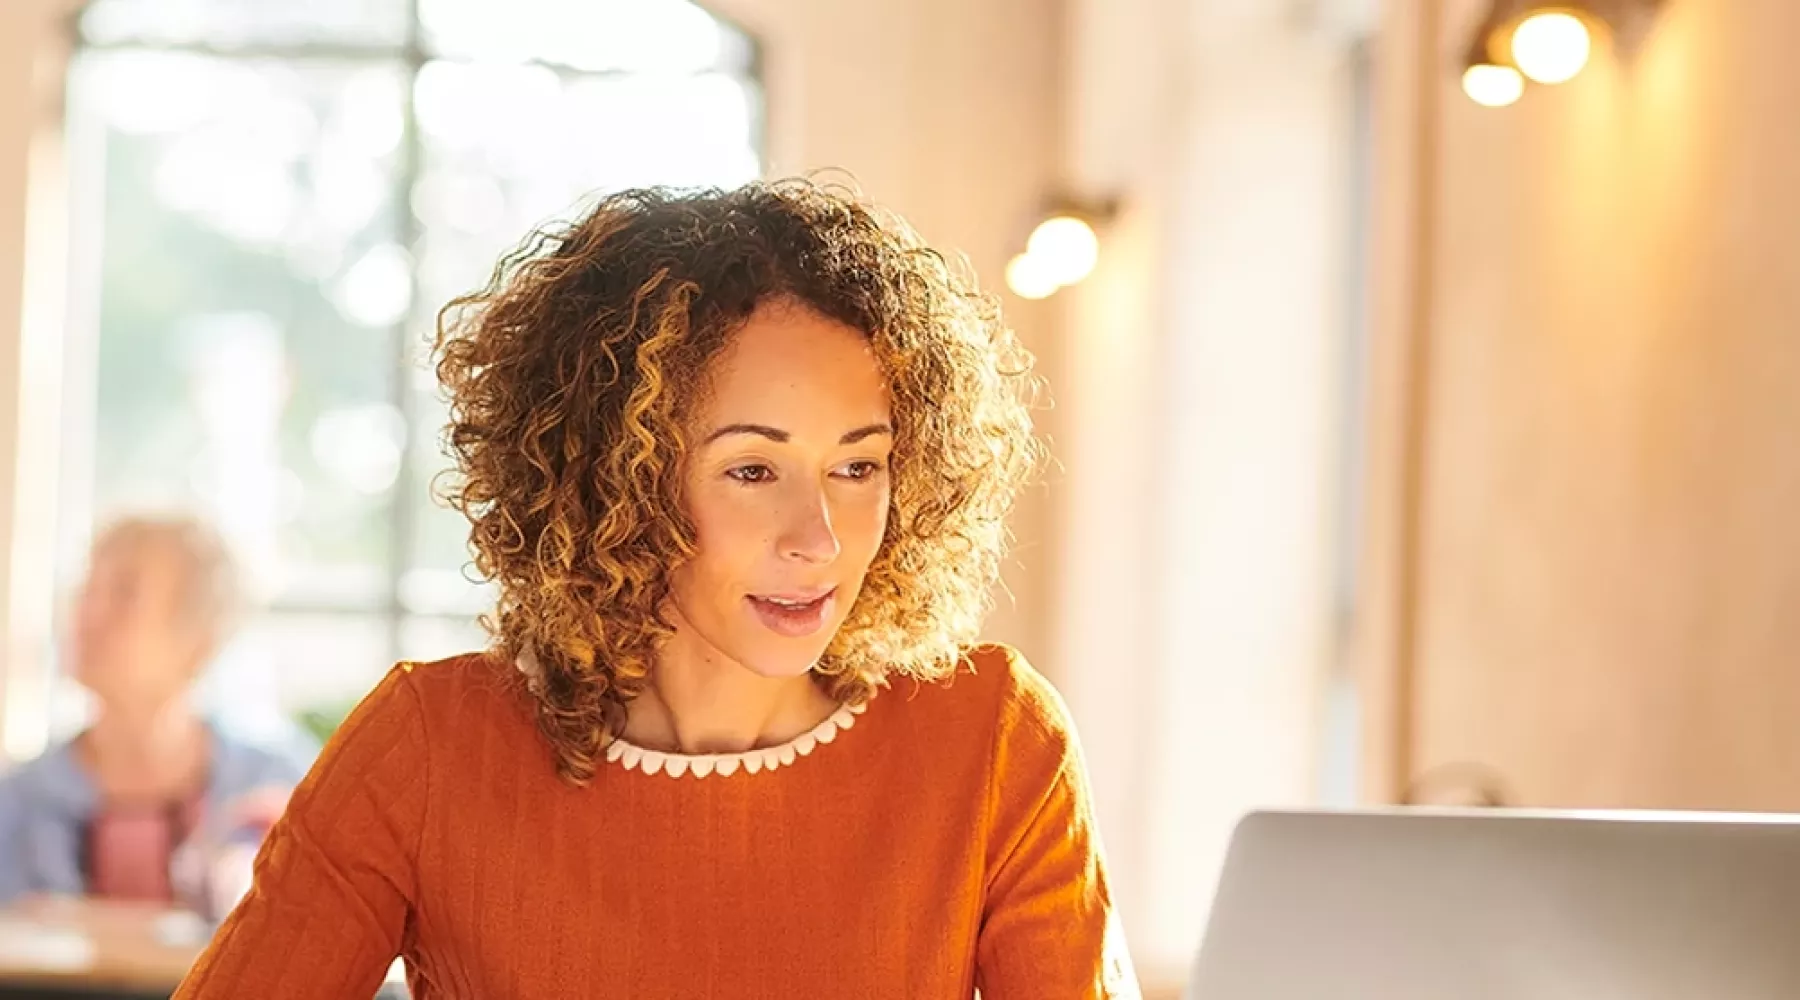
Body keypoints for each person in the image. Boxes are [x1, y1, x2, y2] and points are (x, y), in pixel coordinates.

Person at [176, 181, 1140, 999]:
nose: (821, 539)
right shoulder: (429, 747)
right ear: (618, 482)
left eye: (859, 467)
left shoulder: (992, 740)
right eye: (753, 471)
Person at [0, 516, 310, 910]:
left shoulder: (280, 787)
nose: (88, 613)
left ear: (200, 637)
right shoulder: (16, 801)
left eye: (124, 593)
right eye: (88, 590)